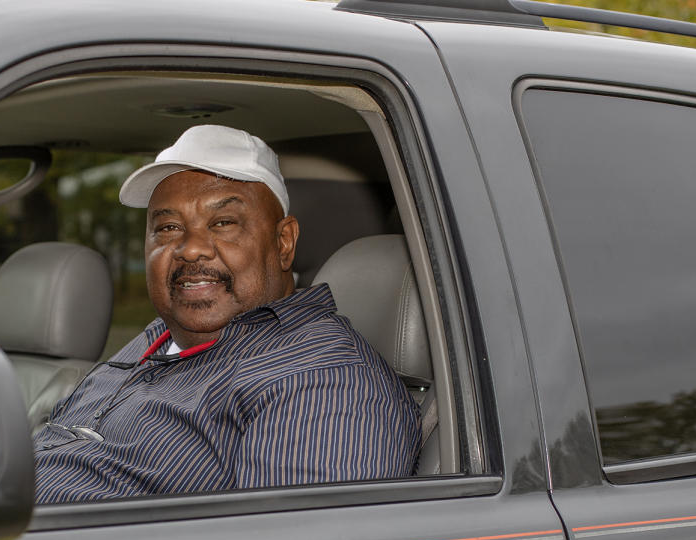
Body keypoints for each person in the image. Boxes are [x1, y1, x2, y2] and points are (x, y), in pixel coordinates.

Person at [32, 124, 419, 503]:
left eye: (222, 223)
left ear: (284, 243)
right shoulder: (158, 337)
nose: (190, 249)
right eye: (167, 227)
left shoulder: (322, 380)